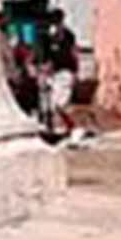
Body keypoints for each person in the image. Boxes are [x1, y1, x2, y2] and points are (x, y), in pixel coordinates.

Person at [42, 7, 81, 143]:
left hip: (66, 72)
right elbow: (48, 58)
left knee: (60, 104)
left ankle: (74, 126)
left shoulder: (69, 35)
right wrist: (45, 70)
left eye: (57, 20)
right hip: (55, 74)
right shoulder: (49, 37)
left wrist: (76, 72)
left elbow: (74, 53)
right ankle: (61, 128)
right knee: (51, 105)